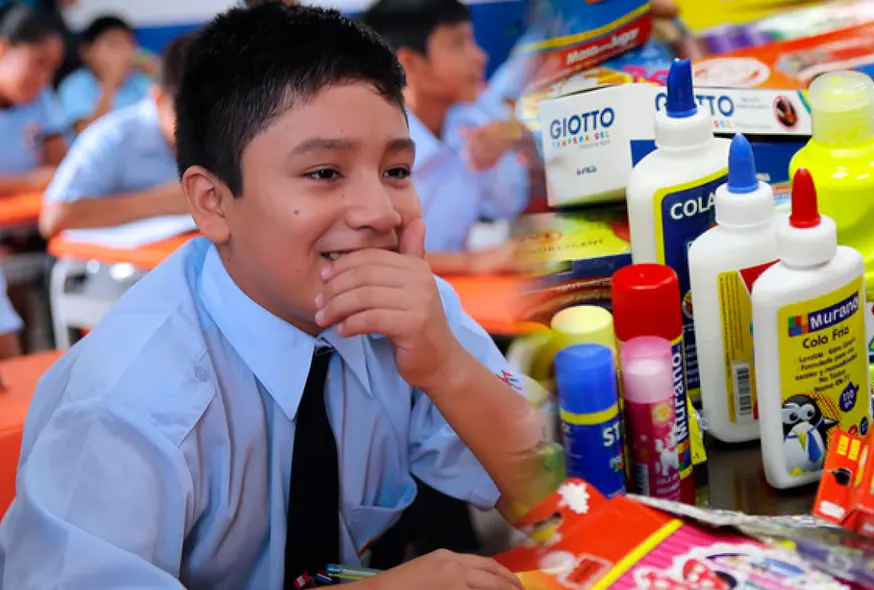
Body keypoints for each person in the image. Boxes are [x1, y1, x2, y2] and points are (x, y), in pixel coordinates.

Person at [0, 4, 542, 589]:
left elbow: (556, 493)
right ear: (212, 202)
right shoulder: (126, 407)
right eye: (325, 173)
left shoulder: (406, 307)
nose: (381, 213)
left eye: (397, 170)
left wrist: (449, 369)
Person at [362, 0, 532, 276]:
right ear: (409, 64)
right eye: (458, 43)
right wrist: (471, 263)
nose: (480, 57)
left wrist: (511, 135)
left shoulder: (470, 120)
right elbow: (370, 258)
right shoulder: (371, 147)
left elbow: (510, 205)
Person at [39, 32, 192, 238]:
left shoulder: (230, 132)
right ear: (158, 99)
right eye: (189, 116)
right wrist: (163, 202)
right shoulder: (112, 137)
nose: (201, 128)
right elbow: (54, 218)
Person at [0, 3, 67, 196]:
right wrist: (29, 182)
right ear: (3, 50)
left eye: (52, 68)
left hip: (28, 217)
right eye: (38, 63)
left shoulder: (43, 99)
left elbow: (60, 170)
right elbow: (45, 178)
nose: (45, 79)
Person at [57, 15, 153, 134]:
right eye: (114, 46)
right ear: (87, 52)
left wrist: (157, 74)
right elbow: (88, 135)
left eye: (129, 44)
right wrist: (110, 83)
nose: (124, 53)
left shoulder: (141, 81)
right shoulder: (74, 86)